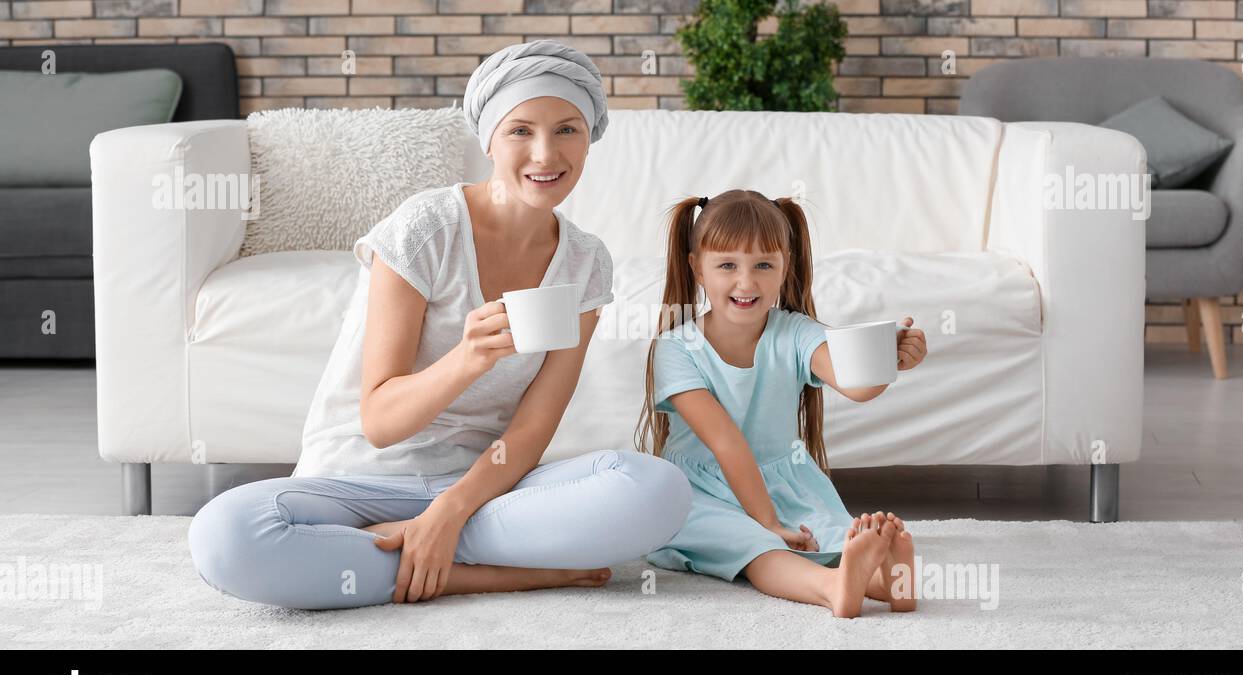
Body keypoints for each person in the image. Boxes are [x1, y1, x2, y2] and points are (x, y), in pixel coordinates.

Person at [189, 40, 692, 610]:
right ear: (489, 139)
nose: (545, 154)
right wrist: (468, 359)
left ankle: (415, 548)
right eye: (520, 130)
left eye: (568, 129)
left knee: (658, 490)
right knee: (226, 536)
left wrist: (449, 512)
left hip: (483, 488)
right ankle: (498, 573)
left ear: (590, 137)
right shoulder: (426, 228)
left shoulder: (585, 262)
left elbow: (532, 430)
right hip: (358, 480)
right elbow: (380, 421)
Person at [635, 189, 928, 618]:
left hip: (784, 480)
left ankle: (885, 581)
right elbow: (725, 442)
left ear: (784, 267)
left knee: (827, 535)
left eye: (764, 265)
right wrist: (767, 523)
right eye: (728, 265)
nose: (746, 282)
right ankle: (833, 588)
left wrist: (890, 360)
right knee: (756, 546)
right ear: (697, 267)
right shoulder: (676, 349)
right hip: (700, 491)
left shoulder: (796, 332)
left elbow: (855, 385)